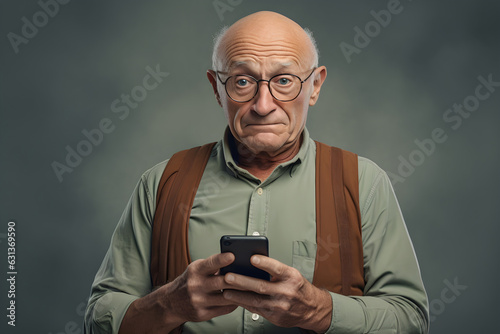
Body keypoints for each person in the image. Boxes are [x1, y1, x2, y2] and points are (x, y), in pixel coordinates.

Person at [84, 11, 429, 334]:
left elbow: (411, 319)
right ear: (216, 88)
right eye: (242, 81)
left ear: (316, 85)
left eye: (284, 80)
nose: (263, 105)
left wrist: (318, 310)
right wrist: (168, 304)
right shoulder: (160, 184)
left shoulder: (365, 183)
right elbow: (98, 318)